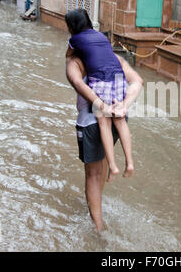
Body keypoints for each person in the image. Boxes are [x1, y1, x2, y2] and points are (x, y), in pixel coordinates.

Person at [65, 43, 143, 232]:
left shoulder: (77, 62)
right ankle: (122, 166)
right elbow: (138, 81)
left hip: (90, 121)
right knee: (103, 161)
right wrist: (124, 104)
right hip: (117, 114)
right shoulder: (116, 60)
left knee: (92, 174)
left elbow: (76, 81)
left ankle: (97, 228)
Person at [65, 9, 134, 183]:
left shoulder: (75, 39)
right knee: (119, 118)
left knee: (103, 121)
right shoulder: (102, 36)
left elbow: (68, 56)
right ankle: (130, 162)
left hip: (101, 81)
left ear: (71, 27)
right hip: (119, 79)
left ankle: (112, 166)